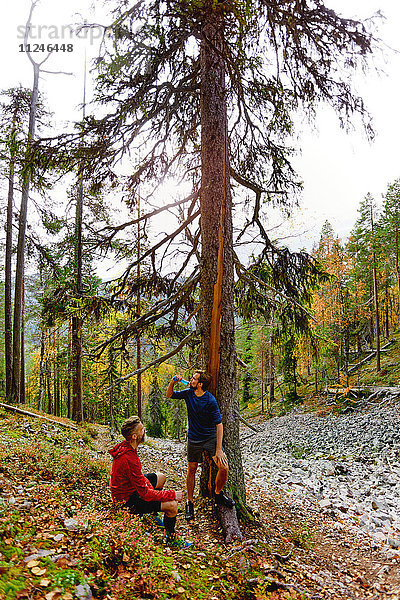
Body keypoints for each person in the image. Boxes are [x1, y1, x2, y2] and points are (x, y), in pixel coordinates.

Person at [109, 415, 192, 549]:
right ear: (135, 436)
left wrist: (150, 487)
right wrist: (172, 494)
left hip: (131, 489)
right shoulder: (128, 457)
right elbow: (146, 494)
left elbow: (139, 479)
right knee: (172, 505)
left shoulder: (127, 447)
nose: (144, 430)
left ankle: (152, 514)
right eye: (142, 429)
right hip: (126, 501)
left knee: (161, 477)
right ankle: (172, 539)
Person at [166, 371, 235, 521]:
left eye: (194, 379)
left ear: (200, 384)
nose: (190, 380)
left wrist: (218, 449)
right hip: (194, 438)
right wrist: (173, 382)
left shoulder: (210, 400)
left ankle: (218, 494)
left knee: (224, 467)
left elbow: (219, 425)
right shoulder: (189, 393)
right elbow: (169, 395)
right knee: (192, 469)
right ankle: (190, 503)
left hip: (210, 438)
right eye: (192, 378)